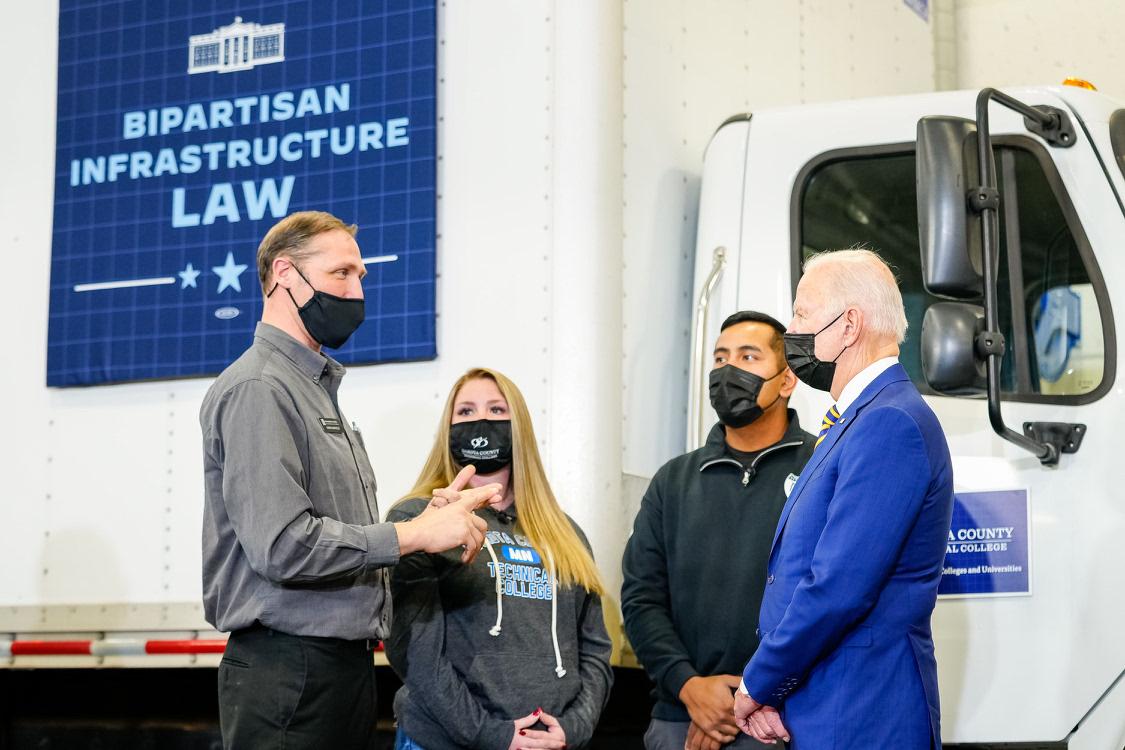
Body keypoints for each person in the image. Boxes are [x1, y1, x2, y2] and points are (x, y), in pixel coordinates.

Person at [200, 211, 501, 749]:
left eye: (360, 277)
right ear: (285, 274)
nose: (356, 290)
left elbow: (331, 535)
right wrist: (414, 535)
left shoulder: (312, 388)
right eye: (342, 273)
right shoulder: (259, 388)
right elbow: (284, 546)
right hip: (291, 671)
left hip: (337, 669)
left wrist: (429, 523)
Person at [734, 249, 954, 749]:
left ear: (849, 324)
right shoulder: (859, 419)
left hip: (863, 712)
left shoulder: (888, 423)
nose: (790, 328)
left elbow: (838, 585)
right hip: (830, 704)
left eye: (802, 313)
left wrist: (758, 684)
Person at [385, 367, 613, 750]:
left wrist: (573, 727)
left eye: (496, 410)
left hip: (547, 743)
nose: (481, 422)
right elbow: (415, 651)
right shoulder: (418, 518)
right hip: (444, 741)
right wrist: (493, 734)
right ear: (448, 427)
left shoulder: (565, 534)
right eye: (466, 412)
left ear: (518, 426)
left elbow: (594, 649)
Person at [622, 311, 816, 750]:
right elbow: (641, 598)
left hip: (784, 720)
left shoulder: (820, 468)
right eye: (721, 358)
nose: (729, 370)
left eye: (749, 357)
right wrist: (690, 688)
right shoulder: (673, 481)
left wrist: (751, 695)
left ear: (787, 381)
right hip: (681, 719)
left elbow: (826, 599)